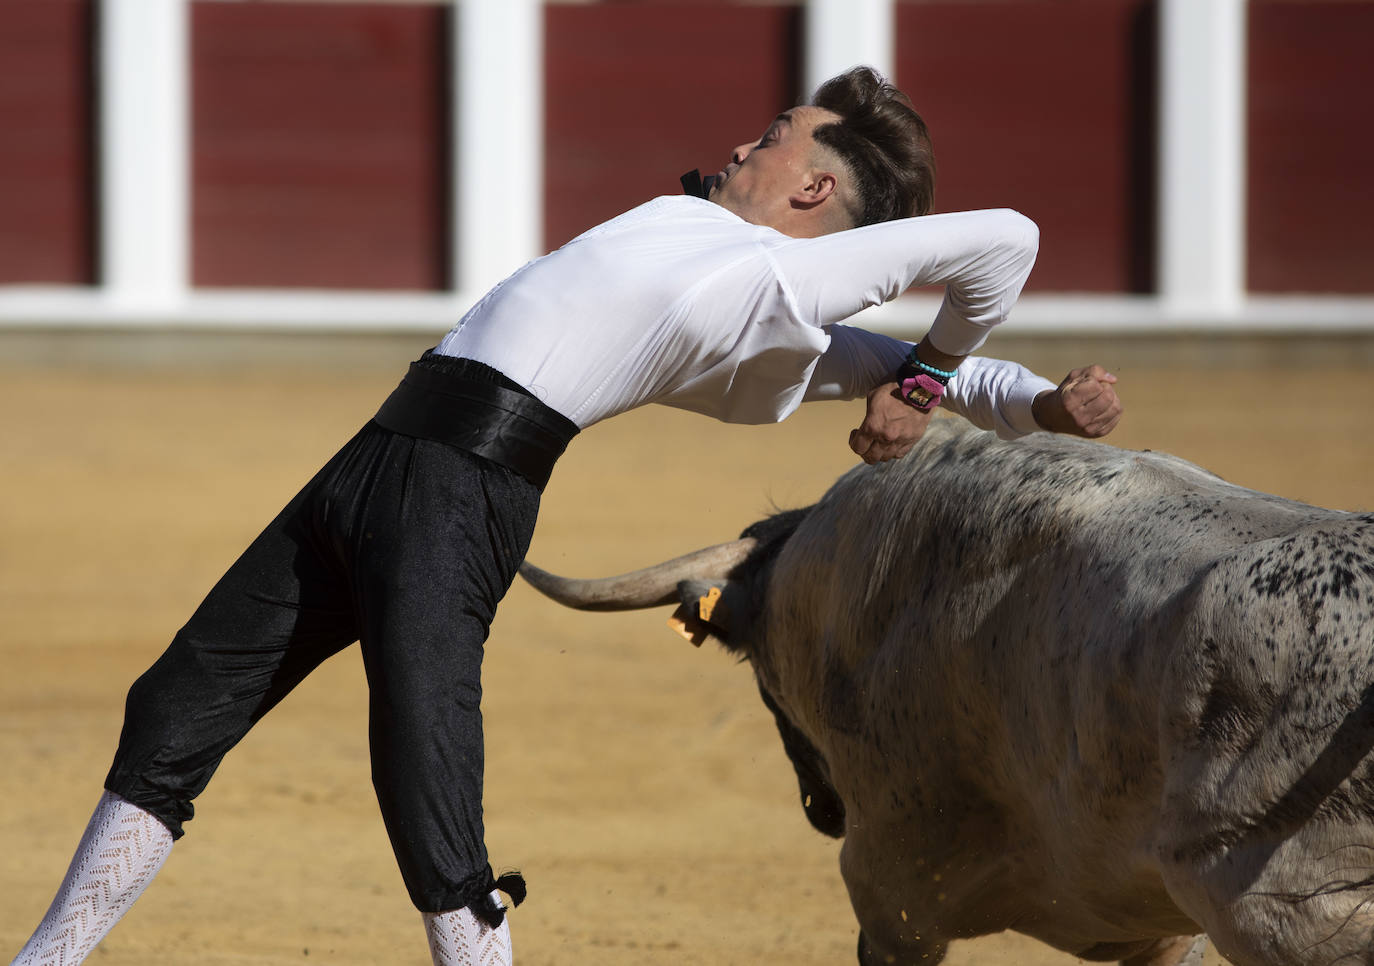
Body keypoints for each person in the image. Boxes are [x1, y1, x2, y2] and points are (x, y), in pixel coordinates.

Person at [9, 66, 1121, 966]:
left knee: (423, 767)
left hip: (467, 487)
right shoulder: (709, 254)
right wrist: (1019, 398)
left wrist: (932, 386)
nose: (747, 142)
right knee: (177, 703)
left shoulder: (770, 286)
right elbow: (967, 363)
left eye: (777, 132)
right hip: (379, 457)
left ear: (817, 189)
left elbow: (1007, 240)